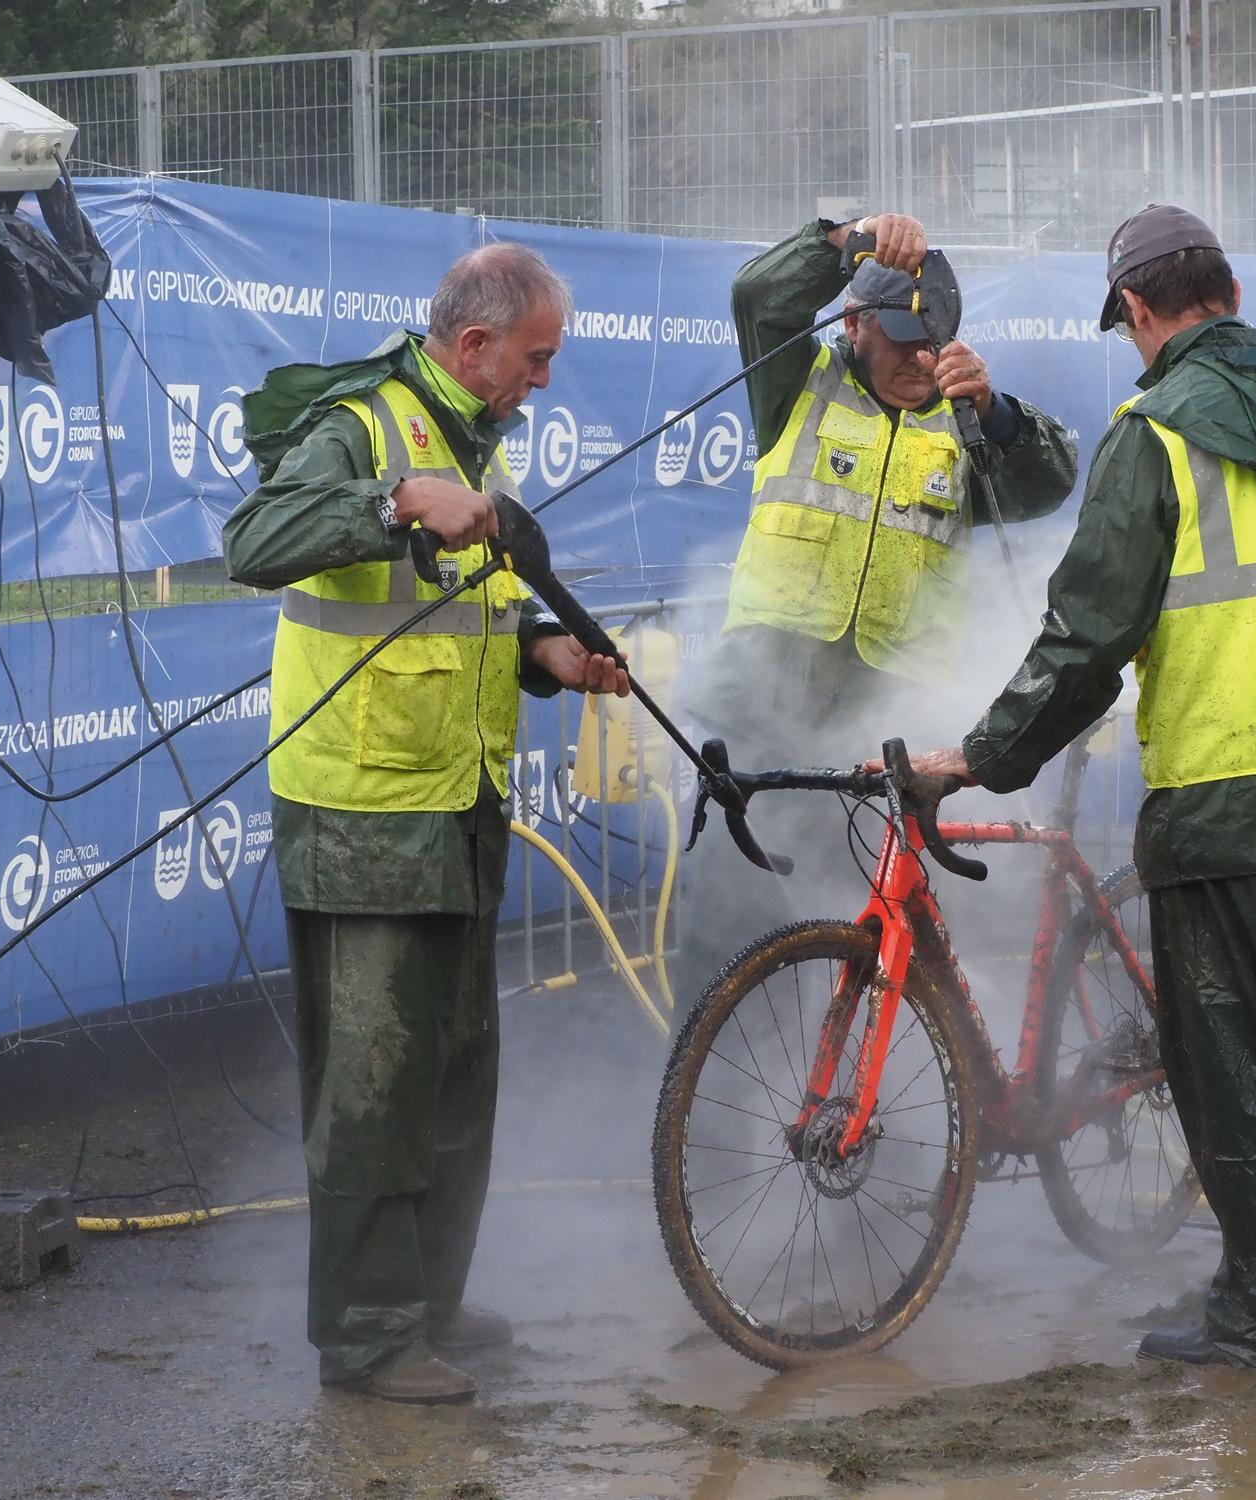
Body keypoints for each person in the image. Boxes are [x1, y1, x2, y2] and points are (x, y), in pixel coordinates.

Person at [892, 204, 1256, 1368]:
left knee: (1236, 1064)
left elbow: (1085, 642)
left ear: (1138, 311)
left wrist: (980, 757)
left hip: (1223, 805)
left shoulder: (1151, 434)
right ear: (1228, 293)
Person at [223, 244, 628, 1405]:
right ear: (473, 346)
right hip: (360, 814)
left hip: (455, 809)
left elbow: (459, 624)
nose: (542, 379)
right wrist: (397, 499)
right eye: (535, 357)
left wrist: (545, 654)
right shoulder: (368, 429)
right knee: (374, 1092)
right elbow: (253, 541)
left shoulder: (473, 446)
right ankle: (368, 1336)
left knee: (452, 1079)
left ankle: (429, 1305)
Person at [690, 210, 1077, 767]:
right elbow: (757, 294)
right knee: (740, 853)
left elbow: (1050, 484)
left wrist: (994, 413)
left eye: (932, 340)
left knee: (866, 858)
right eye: (902, 339)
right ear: (854, 323)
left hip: (897, 717)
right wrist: (844, 239)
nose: (922, 358)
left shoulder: (967, 420)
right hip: (758, 702)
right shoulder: (799, 381)